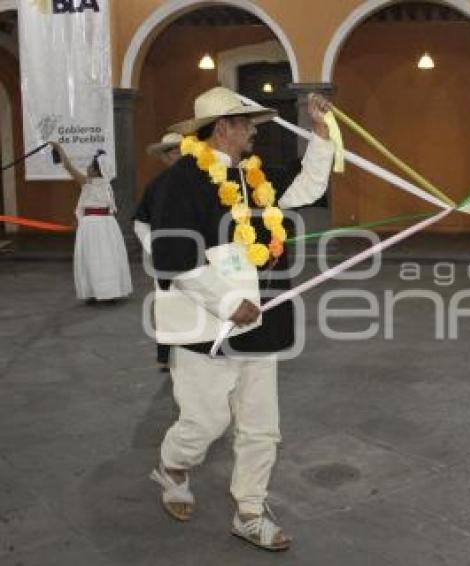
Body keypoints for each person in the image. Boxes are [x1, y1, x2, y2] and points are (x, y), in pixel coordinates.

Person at [147, 86, 334, 551]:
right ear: (223, 128)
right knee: (204, 424)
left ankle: (250, 510)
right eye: (247, 122)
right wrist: (228, 304)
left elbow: (307, 187)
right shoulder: (180, 182)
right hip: (205, 327)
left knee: (260, 426)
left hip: (263, 320)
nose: (254, 130)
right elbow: (173, 256)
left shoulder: (255, 175)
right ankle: (173, 465)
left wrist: (321, 134)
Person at [50, 142, 132, 303]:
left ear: (95, 170)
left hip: (93, 227)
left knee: (92, 258)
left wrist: (59, 148)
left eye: (89, 166)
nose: (87, 168)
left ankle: (96, 291)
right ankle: (109, 291)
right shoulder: (106, 185)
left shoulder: (88, 182)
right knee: (107, 257)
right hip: (108, 225)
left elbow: (68, 166)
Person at [135, 132, 183, 371]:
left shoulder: (204, 180)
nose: (177, 154)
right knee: (166, 305)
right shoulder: (155, 186)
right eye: (171, 151)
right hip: (165, 259)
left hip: (199, 257)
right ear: (164, 157)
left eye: (180, 149)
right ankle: (165, 355)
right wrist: (155, 248)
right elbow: (140, 222)